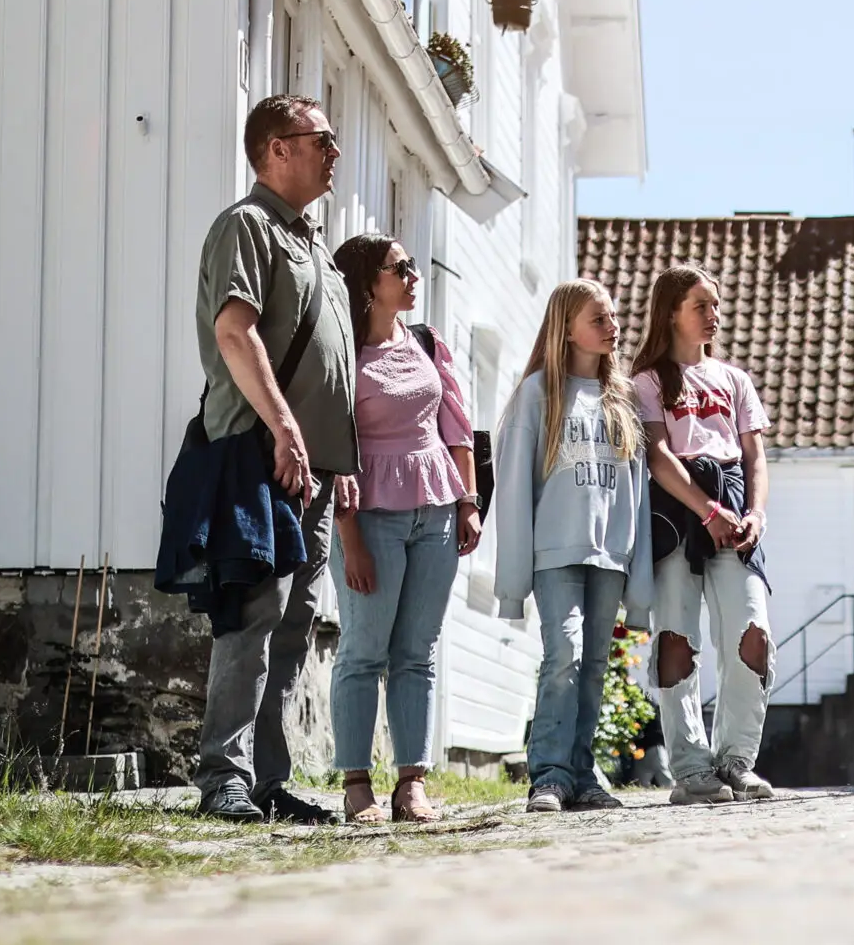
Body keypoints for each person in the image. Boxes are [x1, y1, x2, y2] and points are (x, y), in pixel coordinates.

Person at [190, 95, 358, 824]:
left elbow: (333, 363)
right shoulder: (247, 226)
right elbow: (237, 332)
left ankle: (265, 778)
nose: (335, 152)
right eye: (322, 139)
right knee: (253, 614)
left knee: (295, 624)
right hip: (261, 450)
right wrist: (287, 430)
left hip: (314, 467)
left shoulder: (315, 245)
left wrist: (338, 458)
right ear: (276, 149)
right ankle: (222, 775)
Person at [327, 234, 480, 824]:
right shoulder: (340, 352)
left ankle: (411, 784)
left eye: (414, 267)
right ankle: (357, 785)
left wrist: (467, 503)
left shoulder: (425, 342)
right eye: (402, 269)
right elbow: (334, 449)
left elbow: (457, 428)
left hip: (436, 509)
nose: (414, 276)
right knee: (364, 651)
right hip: (370, 515)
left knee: (417, 652)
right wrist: (351, 541)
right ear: (370, 283)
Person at [493, 281, 653, 813]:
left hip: (610, 557)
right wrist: (512, 583)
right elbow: (514, 490)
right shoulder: (538, 394)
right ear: (566, 328)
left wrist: (639, 579)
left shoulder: (621, 400)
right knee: (565, 653)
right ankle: (549, 775)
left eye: (613, 317)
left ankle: (584, 775)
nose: (614, 327)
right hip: (554, 555)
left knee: (595, 663)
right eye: (599, 318)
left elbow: (637, 493)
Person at [630, 267, 776, 807]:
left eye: (715, 304)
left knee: (752, 631)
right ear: (671, 312)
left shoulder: (735, 379)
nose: (714, 314)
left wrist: (754, 513)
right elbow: (659, 457)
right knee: (676, 637)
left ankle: (737, 761)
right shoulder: (646, 380)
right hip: (677, 512)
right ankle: (690, 769)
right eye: (702, 305)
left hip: (735, 507)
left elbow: (756, 456)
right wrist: (705, 509)